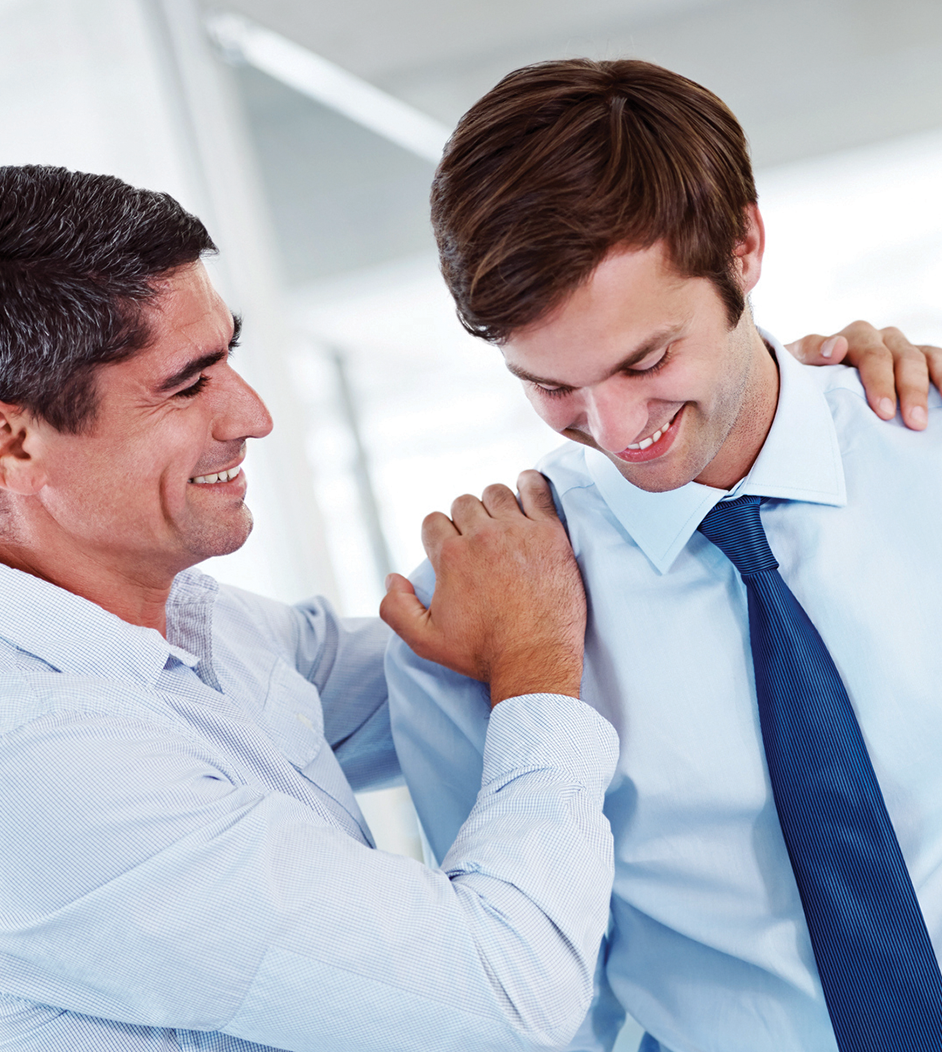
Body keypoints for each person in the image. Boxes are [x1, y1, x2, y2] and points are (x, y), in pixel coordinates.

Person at [0, 169, 926, 1052]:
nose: (249, 415)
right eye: (187, 382)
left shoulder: (203, 637)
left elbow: (448, 650)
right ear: (7, 442)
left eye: (230, 357)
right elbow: (504, 992)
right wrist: (530, 659)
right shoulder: (20, 766)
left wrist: (787, 394)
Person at [386, 59, 942, 1052]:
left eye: (645, 360)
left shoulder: (924, 445)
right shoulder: (469, 613)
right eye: (549, 385)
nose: (610, 423)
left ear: (743, 244)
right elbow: (523, 998)